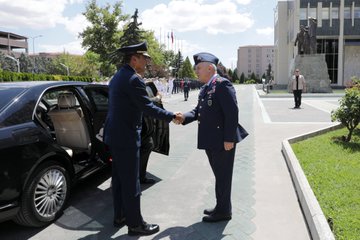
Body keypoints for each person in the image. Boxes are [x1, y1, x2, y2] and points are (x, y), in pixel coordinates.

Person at [104, 41, 182, 236]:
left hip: (115, 135)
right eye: (144, 58)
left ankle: (120, 216)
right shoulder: (133, 79)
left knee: (119, 180)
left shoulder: (118, 76)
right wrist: (172, 116)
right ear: (134, 59)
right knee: (131, 182)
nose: (147, 62)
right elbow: (147, 107)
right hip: (127, 138)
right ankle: (135, 224)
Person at [177, 52, 248, 222]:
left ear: (210, 68)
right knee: (219, 175)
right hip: (212, 140)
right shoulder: (206, 87)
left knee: (223, 176)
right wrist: (183, 117)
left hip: (223, 141)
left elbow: (232, 113)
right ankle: (221, 206)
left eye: (199, 68)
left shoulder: (222, 85)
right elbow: (198, 111)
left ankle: (224, 211)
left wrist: (229, 139)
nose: (196, 72)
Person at [140, 82, 162, 184]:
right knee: (146, 146)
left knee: (148, 145)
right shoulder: (133, 85)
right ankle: (139, 176)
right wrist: (157, 98)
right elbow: (145, 102)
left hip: (145, 126)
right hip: (138, 127)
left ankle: (141, 175)